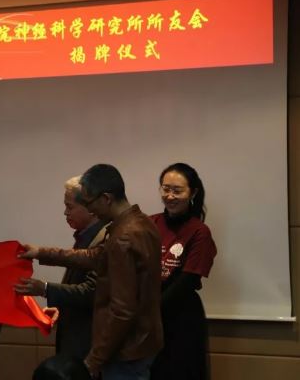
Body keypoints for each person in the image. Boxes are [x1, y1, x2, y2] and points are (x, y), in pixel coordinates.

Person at [19, 164, 163, 380]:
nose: (90, 210)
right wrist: (41, 253)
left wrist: (93, 361)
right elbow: (95, 256)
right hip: (140, 343)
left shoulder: (124, 236)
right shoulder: (140, 222)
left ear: (106, 198)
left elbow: (122, 310)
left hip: (125, 350)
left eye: (89, 203)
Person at [14, 176, 107, 377]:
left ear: (91, 208)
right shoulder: (85, 235)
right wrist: (62, 307)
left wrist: (44, 289)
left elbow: (91, 292)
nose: (65, 212)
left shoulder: (104, 239)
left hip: (89, 343)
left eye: (69, 206)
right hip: (77, 338)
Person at [150, 163, 217, 380]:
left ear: (193, 193)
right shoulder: (149, 223)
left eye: (177, 191)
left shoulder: (199, 231)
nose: (170, 196)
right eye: (165, 189)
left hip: (180, 316)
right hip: (149, 315)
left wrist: (149, 311)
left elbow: (188, 280)